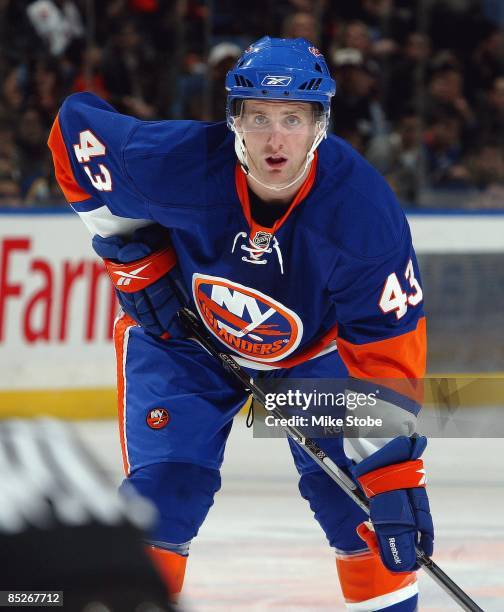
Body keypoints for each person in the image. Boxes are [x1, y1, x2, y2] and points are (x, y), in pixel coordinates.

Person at [48, 37, 432, 611]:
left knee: (358, 512)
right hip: (184, 337)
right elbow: (74, 135)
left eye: (293, 119)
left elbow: (387, 355)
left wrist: (392, 474)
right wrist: (126, 251)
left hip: (312, 355)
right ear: (234, 120)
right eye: (258, 117)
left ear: (320, 124)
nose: (276, 139)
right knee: (165, 494)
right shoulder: (178, 162)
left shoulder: (363, 214)